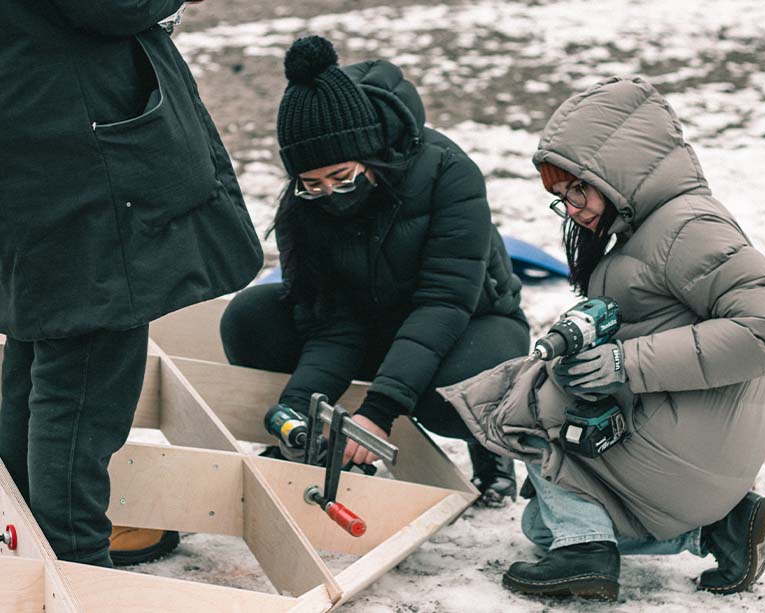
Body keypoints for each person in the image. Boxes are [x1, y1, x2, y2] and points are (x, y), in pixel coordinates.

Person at [439, 76, 765, 600]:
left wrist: (627, 362)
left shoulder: (688, 226)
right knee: (541, 528)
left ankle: (588, 552)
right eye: (561, 197)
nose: (573, 206)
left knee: (526, 397)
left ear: (616, 169)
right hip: (691, 433)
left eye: (577, 187)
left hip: (698, 437)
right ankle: (717, 528)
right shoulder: (641, 227)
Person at [0, 1, 262, 567]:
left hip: (35, 135)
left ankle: (26, 535)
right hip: (76, 155)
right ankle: (76, 561)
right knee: (86, 375)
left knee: (40, 344)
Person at [219, 36, 529, 505]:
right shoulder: (304, 206)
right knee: (251, 317)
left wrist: (380, 412)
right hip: (373, 324)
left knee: (449, 398)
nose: (330, 195)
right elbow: (331, 319)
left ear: (372, 154)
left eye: (343, 178)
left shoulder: (448, 172)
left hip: (469, 321)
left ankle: (486, 448)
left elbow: (443, 303)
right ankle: (322, 433)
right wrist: (299, 404)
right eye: (313, 184)